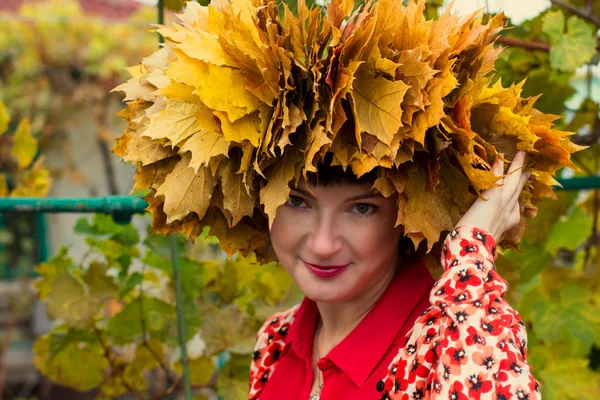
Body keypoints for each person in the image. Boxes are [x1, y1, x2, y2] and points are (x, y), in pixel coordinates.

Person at [248, 150, 540, 399]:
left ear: (411, 214)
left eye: (362, 208)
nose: (322, 245)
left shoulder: (447, 342)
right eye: (297, 201)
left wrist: (470, 250)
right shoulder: (276, 338)